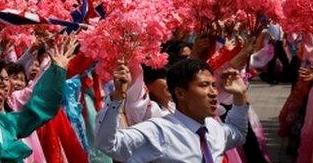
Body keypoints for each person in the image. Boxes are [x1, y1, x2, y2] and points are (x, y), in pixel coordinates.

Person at [96, 58, 250, 162]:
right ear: (180, 93)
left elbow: (238, 133)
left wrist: (240, 95)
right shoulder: (158, 131)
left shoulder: (214, 128)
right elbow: (109, 144)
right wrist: (117, 99)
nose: (213, 93)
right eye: (204, 85)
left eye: (214, 85)